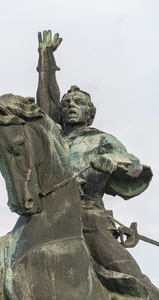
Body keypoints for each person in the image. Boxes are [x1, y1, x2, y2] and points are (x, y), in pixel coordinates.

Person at [36, 30, 159, 298]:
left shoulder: (101, 139)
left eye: (78, 103)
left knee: (131, 277)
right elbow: (45, 106)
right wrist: (45, 61)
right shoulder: (54, 139)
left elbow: (134, 164)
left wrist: (113, 160)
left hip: (88, 215)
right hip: (46, 215)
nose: (70, 106)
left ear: (89, 114)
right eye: (67, 103)